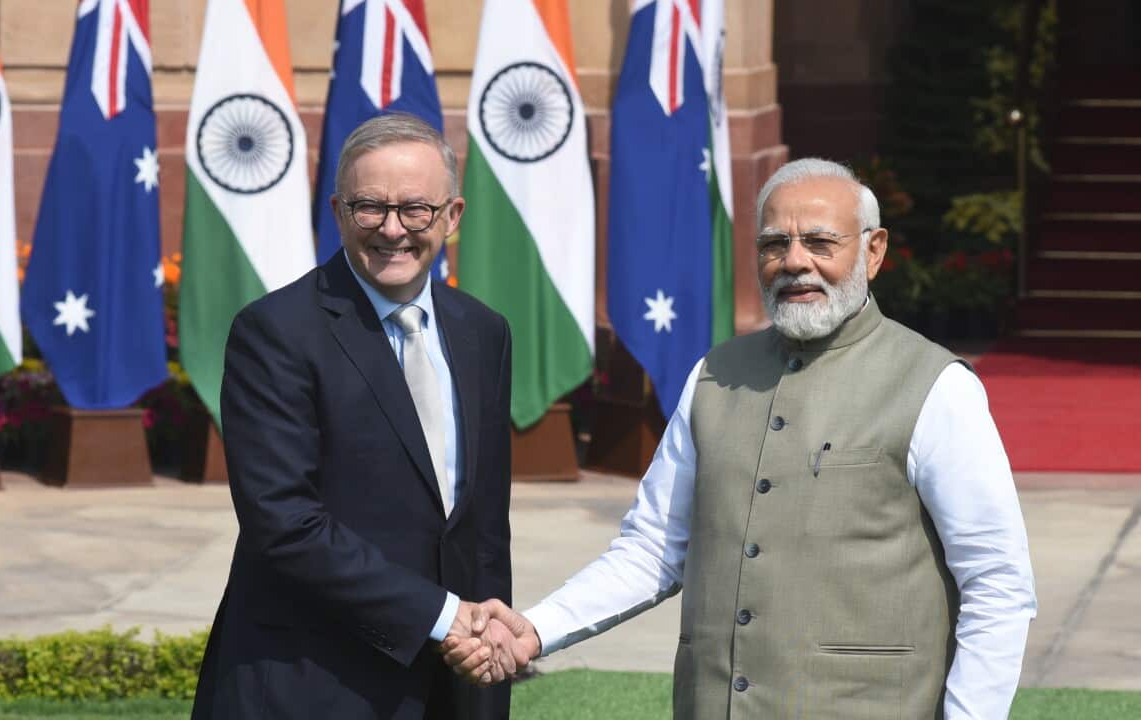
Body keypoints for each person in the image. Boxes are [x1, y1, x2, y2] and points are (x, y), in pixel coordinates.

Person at [445, 158, 1038, 719]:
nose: (795, 261)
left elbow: (998, 584)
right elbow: (652, 548)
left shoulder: (936, 386)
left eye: (820, 243)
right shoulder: (714, 376)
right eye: (775, 244)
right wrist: (539, 627)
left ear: (874, 251)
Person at [191, 113, 516, 720]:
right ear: (339, 211)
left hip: (451, 681)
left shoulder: (484, 333)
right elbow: (285, 523)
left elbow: (484, 528)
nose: (393, 229)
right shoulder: (275, 333)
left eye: (415, 209)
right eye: (370, 207)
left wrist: (486, 651)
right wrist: (444, 618)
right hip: (311, 681)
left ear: (452, 216)